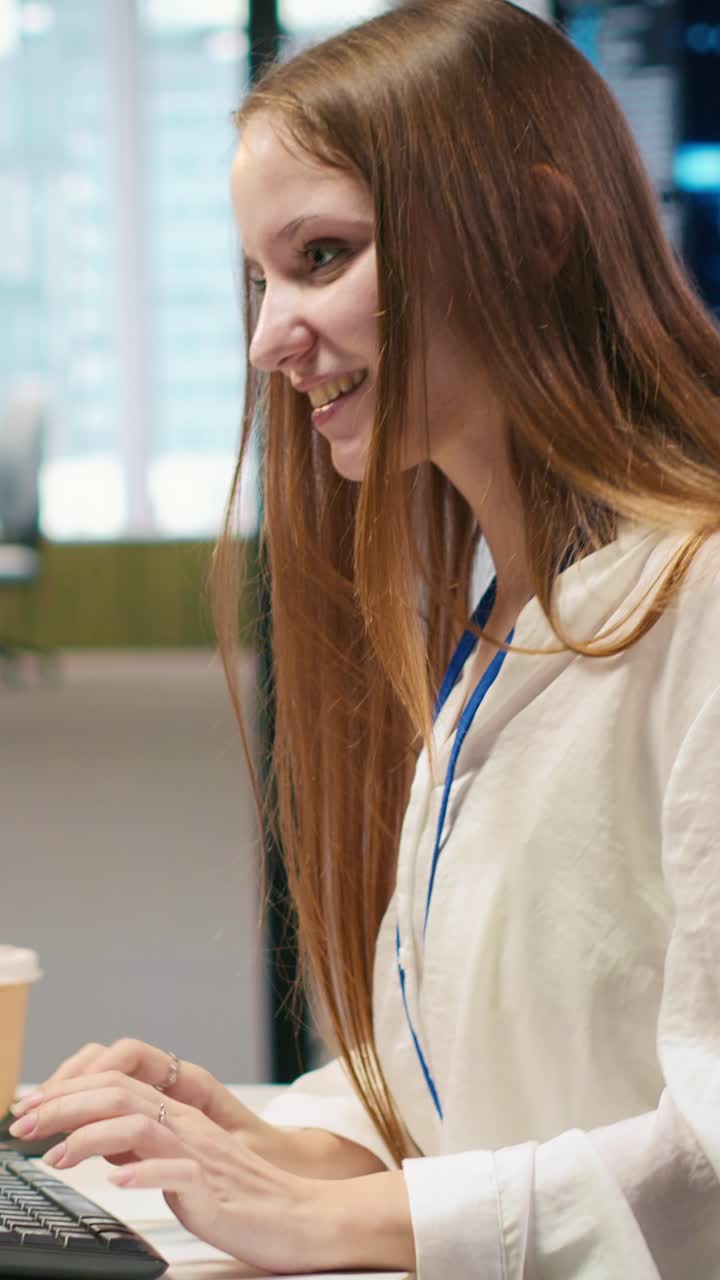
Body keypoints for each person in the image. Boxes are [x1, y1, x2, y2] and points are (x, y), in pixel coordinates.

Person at [9, 0, 720, 1274]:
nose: (271, 337)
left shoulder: (705, 600)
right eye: (260, 278)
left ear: (540, 228)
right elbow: (476, 1080)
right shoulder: (509, 619)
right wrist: (257, 1134)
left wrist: (337, 1215)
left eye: (323, 255)